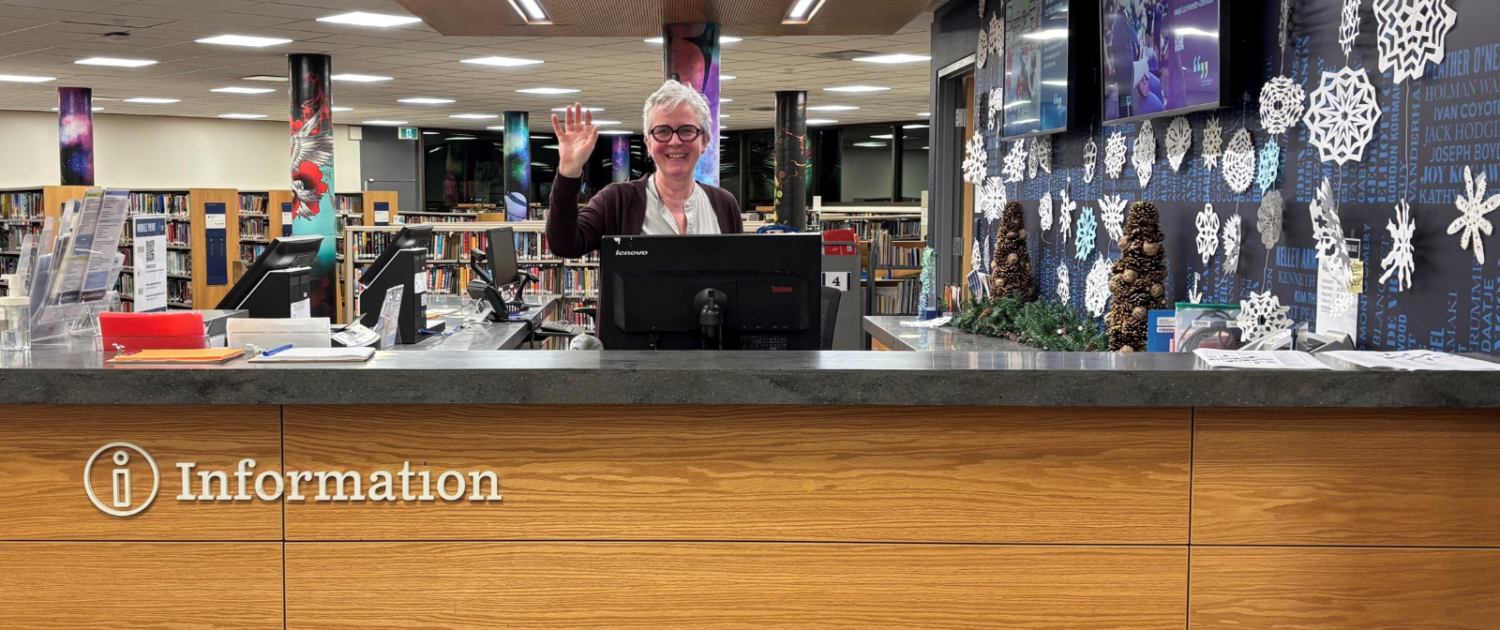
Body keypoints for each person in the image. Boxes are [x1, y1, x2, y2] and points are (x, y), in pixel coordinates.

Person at [546, 80, 743, 258]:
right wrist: (568, 173)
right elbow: (565, 246)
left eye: (687, 130)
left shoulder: (725, 205)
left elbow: (738, 276)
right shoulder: (616, 201)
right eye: (663, 131)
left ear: (705, 141)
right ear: (648, 143)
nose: (675, 141)